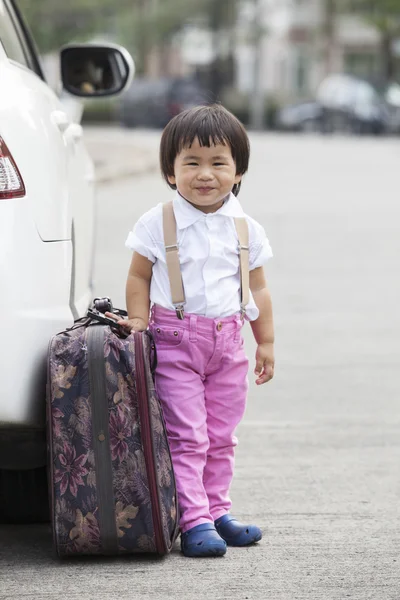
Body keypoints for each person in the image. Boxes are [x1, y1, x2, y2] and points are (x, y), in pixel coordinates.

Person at [108, 104, 274, 558]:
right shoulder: (157, 222)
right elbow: (139, 276)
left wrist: (266, 341)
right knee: (188, 436)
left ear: (238, 171)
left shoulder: (246, 227)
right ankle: (193, 519)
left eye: (218, 163)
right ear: (169, 171)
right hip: (175, 342)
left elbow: (256, 286)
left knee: (222, 435)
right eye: (191, 163)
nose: (206, 174)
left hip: (228, 345)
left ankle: (217, 510)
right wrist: (139, 320)